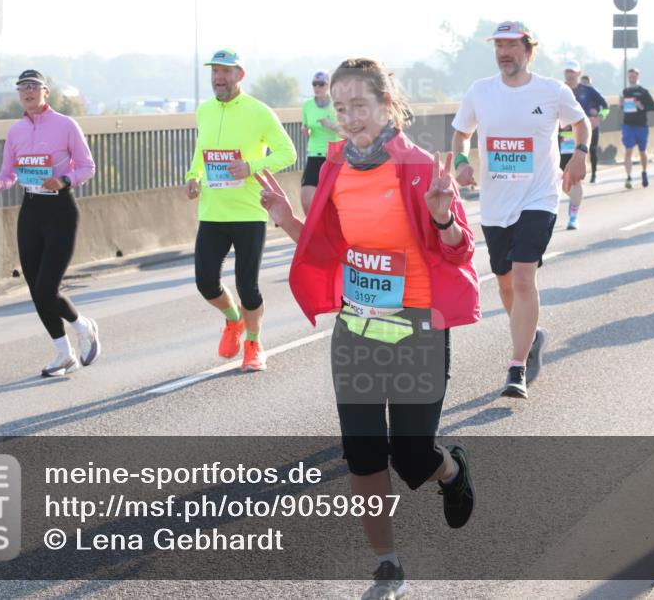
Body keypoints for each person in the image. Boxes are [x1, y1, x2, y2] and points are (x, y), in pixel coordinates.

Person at [256, 57, 479, 600]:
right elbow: (327, 246)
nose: (351, 117)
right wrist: (287, 217)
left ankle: (448, 471)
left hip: (417, 326)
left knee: (411, 456)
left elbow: (460, 249)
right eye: (341, 107)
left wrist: (445, 217)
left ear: (386, 106)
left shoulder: (420, 165)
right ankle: (387, 563)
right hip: (357, 328)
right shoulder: (335, 167)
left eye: (361, 105)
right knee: (361, 450)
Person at [451, 21, 589, 398]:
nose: (504, 52)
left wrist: (579, 154)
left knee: (525, 277)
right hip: (496, 205)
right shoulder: (480, 92)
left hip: (538, 198)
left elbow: (581, 123)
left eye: (512, 45)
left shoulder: (552, 91)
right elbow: (461, 133)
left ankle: (517, 367)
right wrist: (461, 162)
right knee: (506, 282)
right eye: (499, 46)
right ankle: (532, 336)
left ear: (529, 50)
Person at [184, 49, 297, 370]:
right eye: (215, 72)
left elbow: (287, 152)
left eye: (226, 71)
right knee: (206, 282)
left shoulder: (259, 112)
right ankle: (233, 321)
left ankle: (254, 344)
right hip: (213, 211)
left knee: (248, 286)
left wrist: (251, 166)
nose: (219, 78)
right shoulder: (204, 111)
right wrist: (193, 177)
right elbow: (200, 151)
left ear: (240, 75)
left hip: (249, 211)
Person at [0, 70, 100, 377]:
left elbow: (88, 167)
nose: (28, 92)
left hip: (60, 211)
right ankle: (64, 354)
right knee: (36, 289)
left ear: (46, 92)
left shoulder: (65, 125)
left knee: (48, 287)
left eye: (34, 86)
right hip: (30, 211)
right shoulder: (15, 131)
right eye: (22, 88)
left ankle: (84, 327)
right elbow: (9, 174)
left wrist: (63, 180)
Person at [560, 60, 605, 227]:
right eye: (567, 71)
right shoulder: (558, 89)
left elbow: (606, 107)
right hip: (560, 139)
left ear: (579, 73)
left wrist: (599, 118)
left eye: (572, 71)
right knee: (560, 181)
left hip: (579, 138)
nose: (569, 74)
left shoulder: (588, 90)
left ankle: (573, 216)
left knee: (575, 179)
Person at [301, 70, 340, 214]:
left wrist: (330, 125)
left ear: (328, 86)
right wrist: (306, 131)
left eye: (321, 84)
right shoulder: (307, 105)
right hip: (314, 154)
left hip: (334, 156)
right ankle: (313, 228)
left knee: (334, 199)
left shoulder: (337, 105)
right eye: (314, 84)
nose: (317, 87)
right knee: (306, 197)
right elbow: (306, 125)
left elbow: (347, 131)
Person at [621, 68, 654, 188]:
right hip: (628, 125)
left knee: (642, 152)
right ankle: (629, 177)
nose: (631, 79)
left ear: (638, 77)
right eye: (630, 77)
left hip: (641, 125)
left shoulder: (643, 91)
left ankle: (644, 172)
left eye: (634, 76)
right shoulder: (625, 91)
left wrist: (641, 106)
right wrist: (622, 105)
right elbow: (624, 107)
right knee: (628, 151)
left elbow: (653, 107)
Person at [572, 71, 608, 183]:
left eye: (587, 83)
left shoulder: (593, 93)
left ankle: (593, 174)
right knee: (575, 152)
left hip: (592, 127)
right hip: (574, 128)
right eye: (583, 83)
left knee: (592, 150)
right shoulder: (572, 91)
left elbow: (606, 107)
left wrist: (599, 118)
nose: (584, 86)